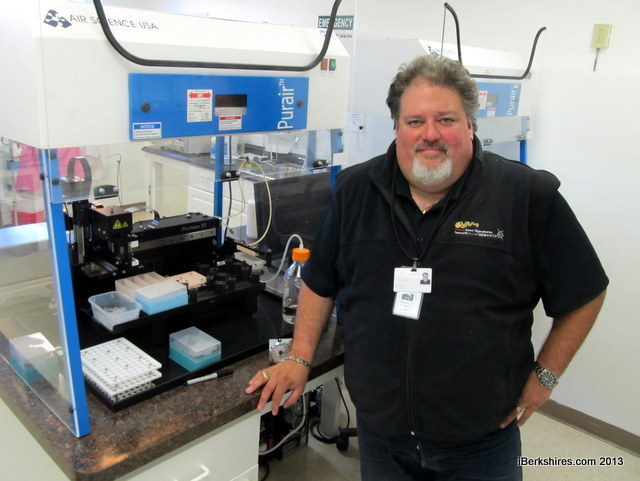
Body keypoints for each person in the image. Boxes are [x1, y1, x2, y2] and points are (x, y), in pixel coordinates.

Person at [246, 53, 608, 480]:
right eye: (415, 121)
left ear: (470, 125)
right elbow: (320, 280)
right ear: (397, 128)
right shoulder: (354, 191)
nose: (430, 134)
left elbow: (586, 292)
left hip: (481, 442)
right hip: (381, 438)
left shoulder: (527, 196)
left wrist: (545, 377)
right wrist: (300, 357)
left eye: (446, 120)